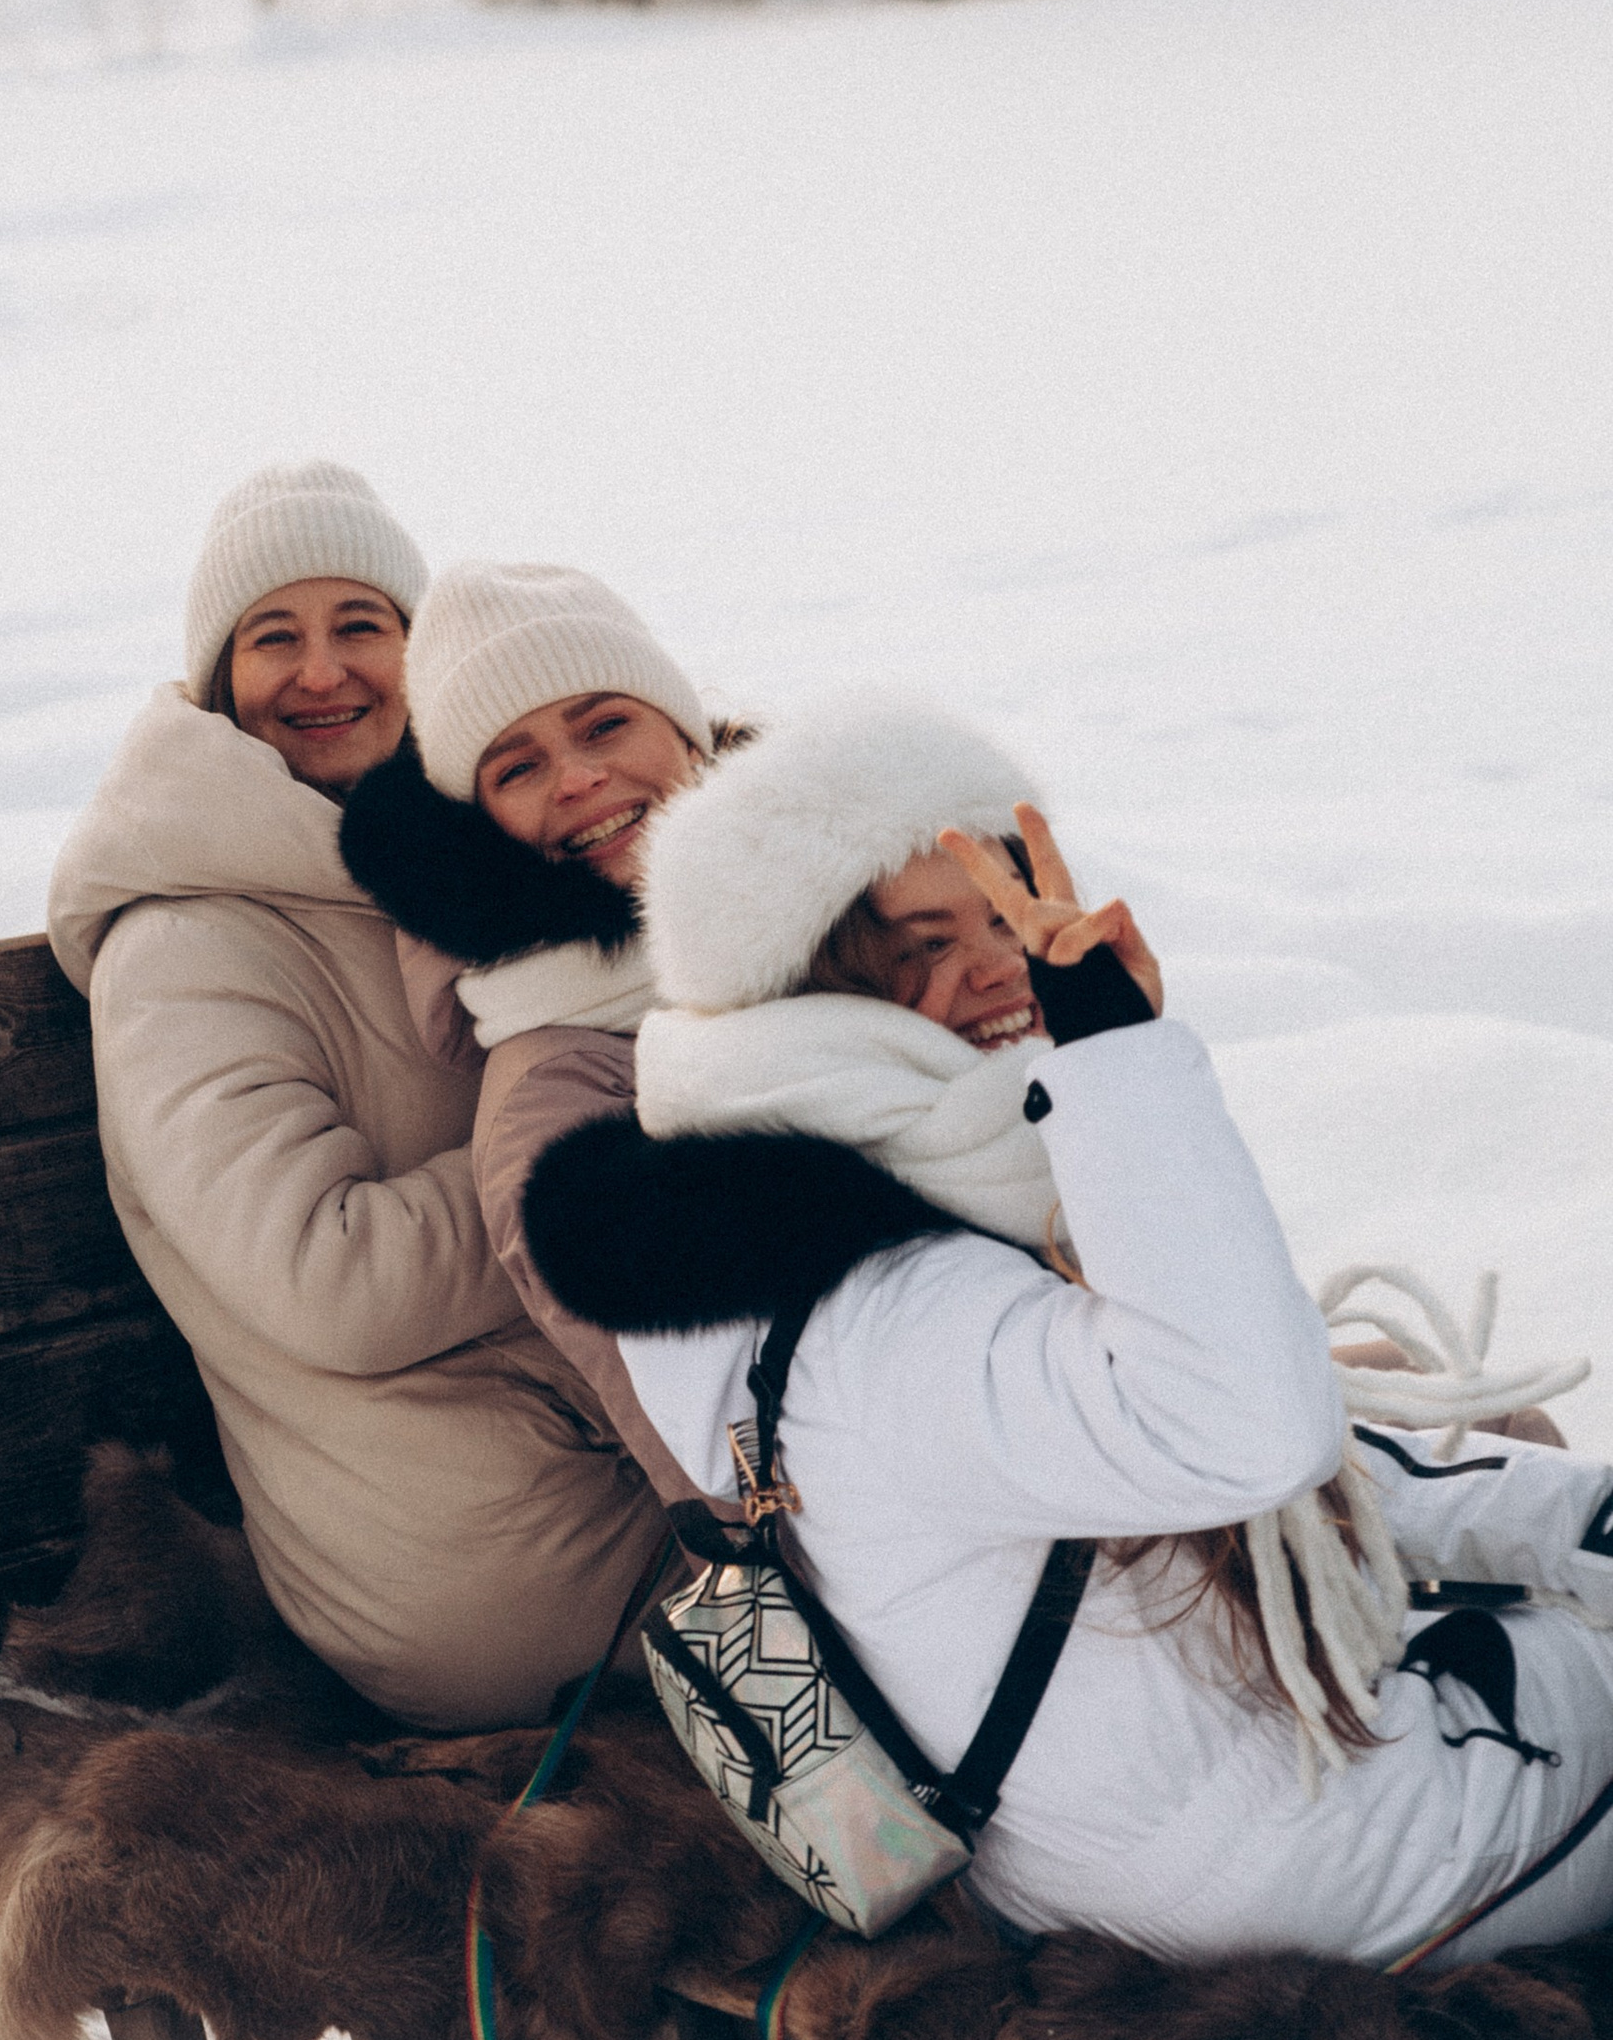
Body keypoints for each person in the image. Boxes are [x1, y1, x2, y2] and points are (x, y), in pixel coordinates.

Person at [521, 685, 1613, 1972]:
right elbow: (1248, 1429)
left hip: (1085, 1837)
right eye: (923, 947)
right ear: (798, 990)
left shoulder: (755, 1244)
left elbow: (1241, 1455)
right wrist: (1112, 1060)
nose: (1006, 969)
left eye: (1008, 917)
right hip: (1292, 1868)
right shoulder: (902, 1313)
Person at [46, 467, 657, 1726]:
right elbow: (327, 1282)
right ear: (221, 681)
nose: (322, 671)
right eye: (275, 638)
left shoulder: (457, 854)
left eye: (362, 627)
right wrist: (633, 1137)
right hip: (483, 1568)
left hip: (631, 1460)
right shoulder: (184, 947)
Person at [337, 558, 744, 1518]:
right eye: (517, 769)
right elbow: (723, 1463)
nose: (579, 778)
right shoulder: (556, 1099)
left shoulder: (855, 901)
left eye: (606, 724)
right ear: (485, 828)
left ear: (683, 726)